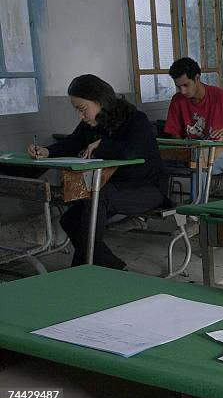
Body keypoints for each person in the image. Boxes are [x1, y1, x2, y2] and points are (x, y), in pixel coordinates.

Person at [26, 74, 166, 269]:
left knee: (97, 199)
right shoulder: (89, 124)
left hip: (147, 189)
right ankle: (110, 265)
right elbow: (72, 143)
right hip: (113, 188)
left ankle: (83, 267)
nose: (81, 116)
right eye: (77, 110)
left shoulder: (136, 120)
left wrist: (102, 143)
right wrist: (46, 151)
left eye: (83, 110)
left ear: (100, 101)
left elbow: (128, 153)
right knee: (71, 219)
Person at [163, 57, 223, 177]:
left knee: (199, 165)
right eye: (178, 87)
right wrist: (181, 145)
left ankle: (198, 197)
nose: (183, 91)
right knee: (159, 164)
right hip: (192, 153)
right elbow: (174, 132)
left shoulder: (222, 97)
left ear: (197, 77)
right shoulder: (177, 100)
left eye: (186, 85)